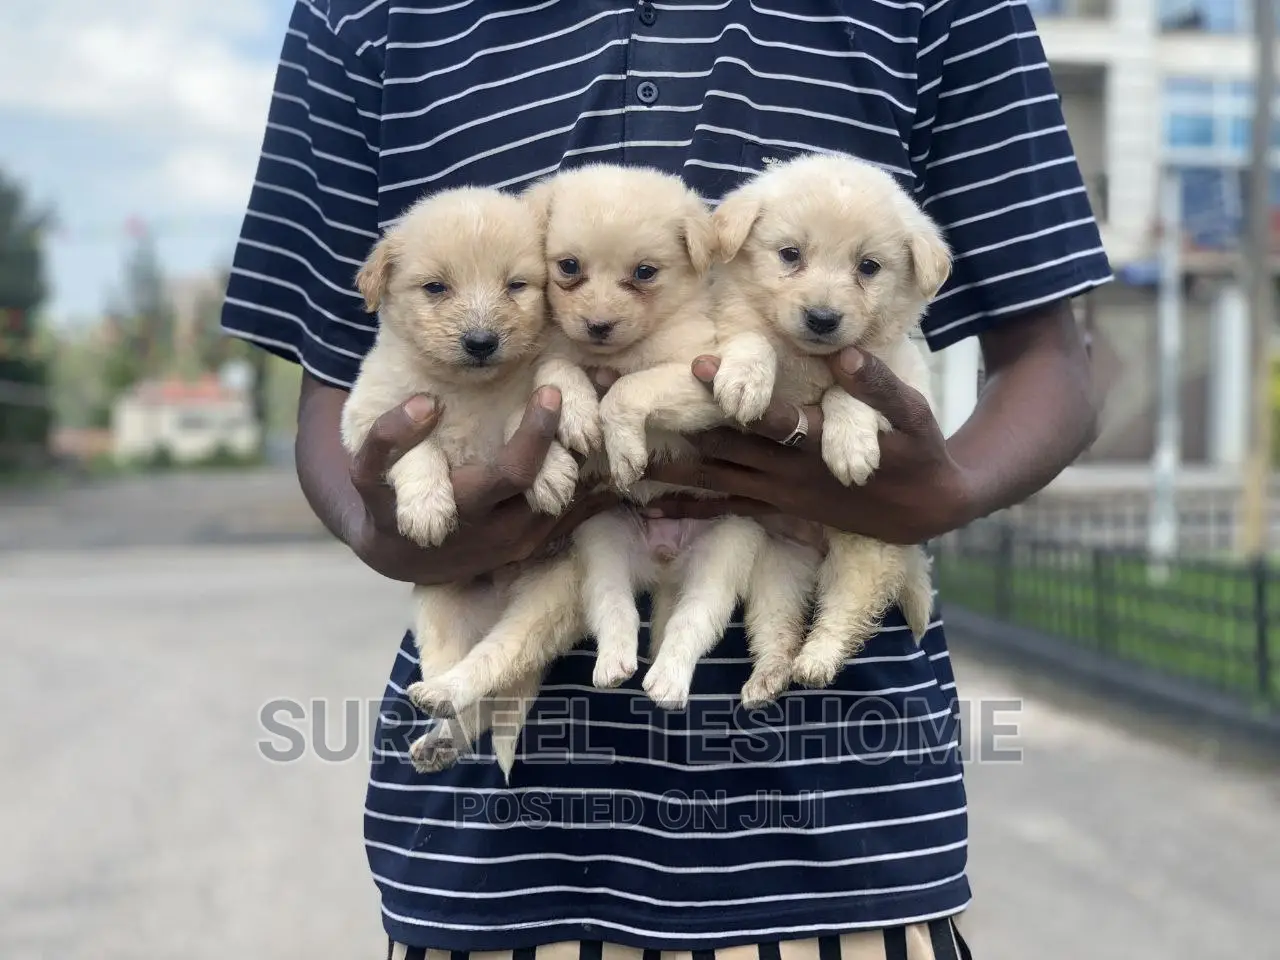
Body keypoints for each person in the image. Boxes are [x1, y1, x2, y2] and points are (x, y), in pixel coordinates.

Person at [222, 2, 1107, 958]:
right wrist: (378, 525)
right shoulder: (363, 16)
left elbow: (1053, 357)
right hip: (492, 856)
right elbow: (334, 377)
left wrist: (952, 490)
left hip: (841, 841)